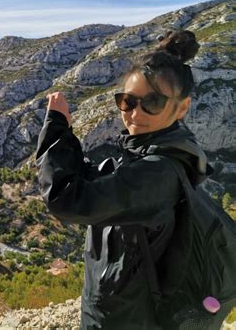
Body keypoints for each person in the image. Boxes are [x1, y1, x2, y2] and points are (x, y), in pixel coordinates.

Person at [35, 30, 213, 329]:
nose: (135, 114)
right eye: (128, 101)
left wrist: (55, 128)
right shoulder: (152, 152)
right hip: (122, 307)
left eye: (153, 103)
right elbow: (100, 181)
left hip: (126, 317)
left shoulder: (157, 170)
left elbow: (66, 200)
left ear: (182, 107)